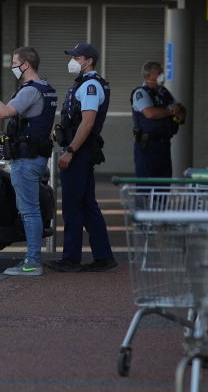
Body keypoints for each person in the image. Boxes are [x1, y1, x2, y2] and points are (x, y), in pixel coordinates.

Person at [0, 46, 57, 276]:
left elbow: (3, 112)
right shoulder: (47, 88)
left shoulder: (30, 91)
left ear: (26, 65)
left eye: (14, 64)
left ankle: (32, 262)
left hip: (26, 159)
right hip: (35, 157)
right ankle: (31, 259)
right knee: (31, 210)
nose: (13, 68)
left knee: (29, 211)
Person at [48, 43, 116, 273]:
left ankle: (70, 258)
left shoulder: (90, 86)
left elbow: (87, 122)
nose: (72, 60)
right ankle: (104, 257)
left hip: (80, 151)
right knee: (86, 205)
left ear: (88, 60)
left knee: (72, 206)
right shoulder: (84, 84)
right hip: (81, 150)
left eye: (76, 57)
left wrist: (71, 151)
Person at [131, 61, 186, 178]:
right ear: (150, 75)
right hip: (148, 146)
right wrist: (170, 111)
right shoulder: (141, 93)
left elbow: (179, 111)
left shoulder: (164, 93)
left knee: (163, 184)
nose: (162, 75)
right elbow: (150, 113)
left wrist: (178, 111)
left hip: (164, 144)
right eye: (159, 73)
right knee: (146, 185)